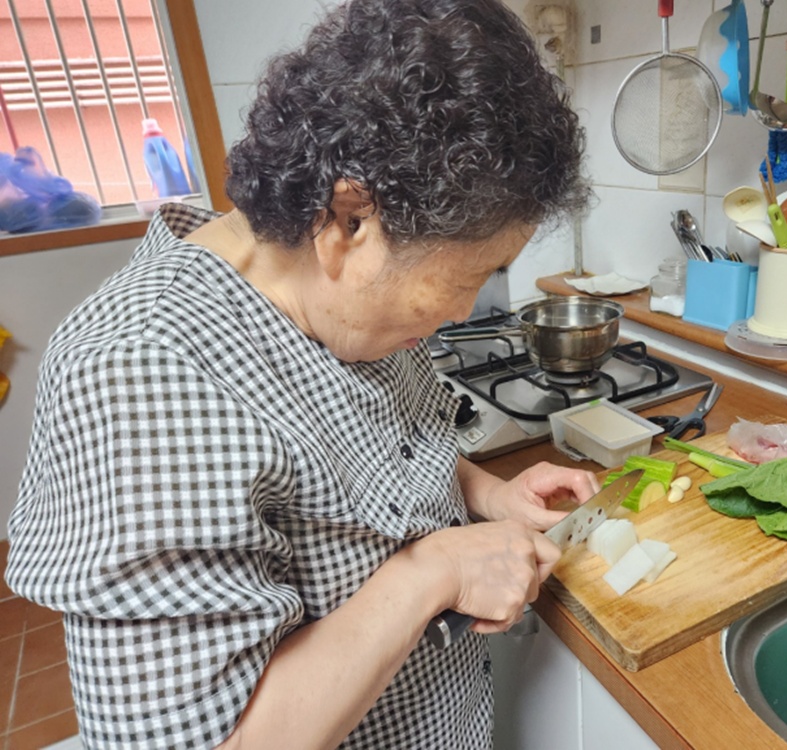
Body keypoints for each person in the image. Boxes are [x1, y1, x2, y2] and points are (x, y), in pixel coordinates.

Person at [4, 1, 596, 748]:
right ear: (349, 218)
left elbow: (390, 454)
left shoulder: (349, 298)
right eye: (469, 276)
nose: (461, 309)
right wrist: (430, 574)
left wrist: (488, 494)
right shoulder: (140, 370)